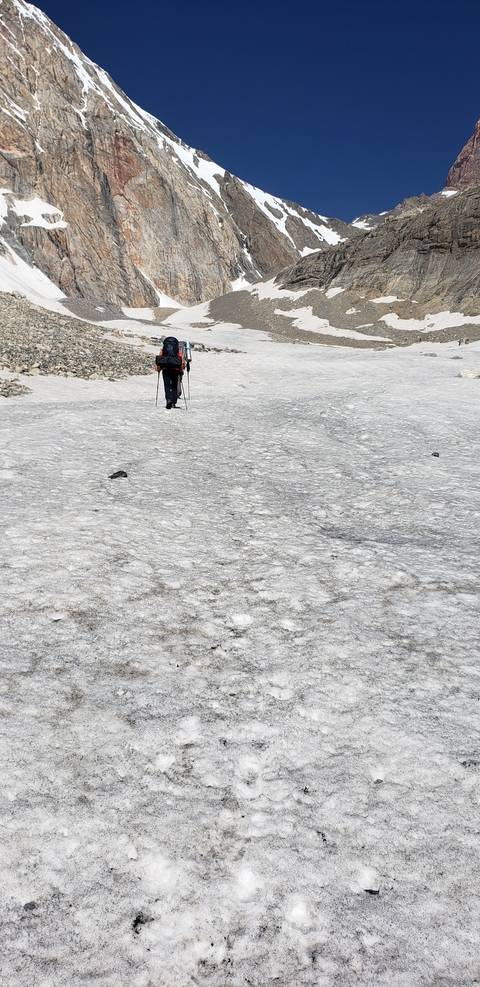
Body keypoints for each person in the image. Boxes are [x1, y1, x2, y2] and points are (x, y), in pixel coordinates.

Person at [155, 337, 190, 409]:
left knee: (167, 385)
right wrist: (181, 369)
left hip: (166, 368)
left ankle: (168, 400)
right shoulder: (177, 350)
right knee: (174, 386)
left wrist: (158, 368)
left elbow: (161, 357)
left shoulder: (164, 349)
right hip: (175, 369)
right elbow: (181, 359)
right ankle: (173, 402)